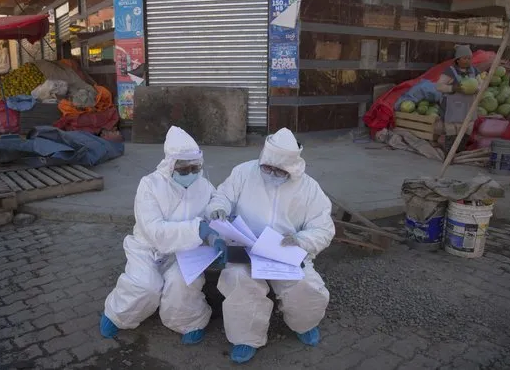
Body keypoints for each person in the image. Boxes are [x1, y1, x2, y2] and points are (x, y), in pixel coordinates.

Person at [206, 128, 335, 364]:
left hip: (285, 251)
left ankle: (304, 324)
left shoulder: (309, 188)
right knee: (239, 281)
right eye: (267, 167)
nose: (272, 173)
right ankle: (246, 337)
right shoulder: (244, 172)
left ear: (293, 168)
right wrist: (219, 207)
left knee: (306, 286)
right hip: (245, 247)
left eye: (279, 170)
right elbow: (222, 195)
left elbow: (324, 228)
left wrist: (301, 240)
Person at [100, 126, 226, 344]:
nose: (191, 173)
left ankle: (189, 321)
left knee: (183, 284)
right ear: (171, 165)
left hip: (185, 251)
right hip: (148, 248)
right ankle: (117, 314)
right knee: (144, 286)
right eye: (184, 169)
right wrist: (198, 230)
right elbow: (154, 230)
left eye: (195, 168)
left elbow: (213, 200)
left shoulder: (202, 184)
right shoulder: (150, 185)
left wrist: (216, 213)